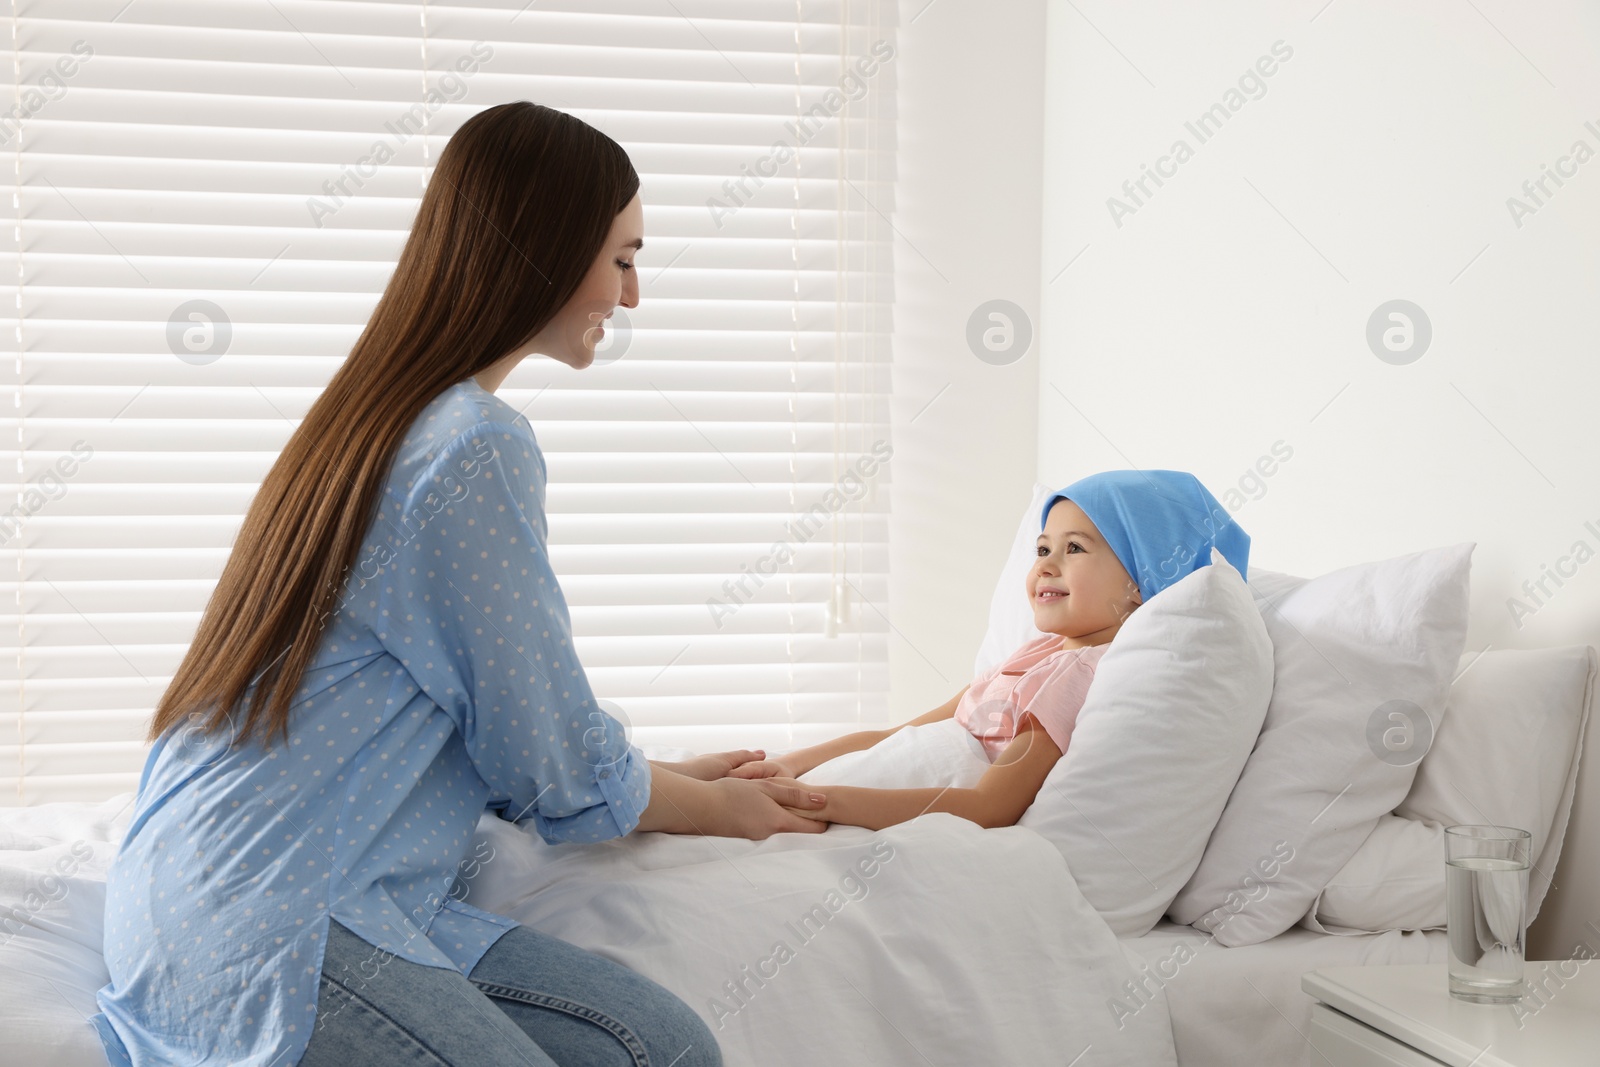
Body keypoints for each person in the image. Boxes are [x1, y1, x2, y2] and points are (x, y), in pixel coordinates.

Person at [89, 101, 830, 1067]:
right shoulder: (473, 445)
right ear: (548, 250)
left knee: (664, 1048)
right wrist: (718, 808)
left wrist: (666, 778)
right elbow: (545, 752)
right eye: (623, 258)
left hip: (251, 885)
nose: (633, 295)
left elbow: (487, 715)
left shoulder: (378, 420)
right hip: (277, 909)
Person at [731, 470, 1251, 831]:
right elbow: (903, 732)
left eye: (1074, 549)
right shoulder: (1036, 655)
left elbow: (991, 804)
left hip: (869, 807)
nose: (1046, 565)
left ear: (1142, 581)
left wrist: (818, 801)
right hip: (854, 786)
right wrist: (793, 764)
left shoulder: (1079, 674)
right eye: (1043, 549)